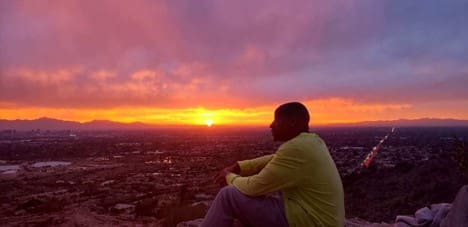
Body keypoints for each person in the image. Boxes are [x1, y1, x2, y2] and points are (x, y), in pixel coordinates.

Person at [201, 102, 345, 227]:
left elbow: (254, 187)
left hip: (311, 222)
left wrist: (229, 177)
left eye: (276, 120)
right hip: (317, 218)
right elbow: (274, 158)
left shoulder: (296, 148)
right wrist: (240, 166)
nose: (271, 125)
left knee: (229, 195)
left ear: (292, 122)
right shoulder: (312, 142)